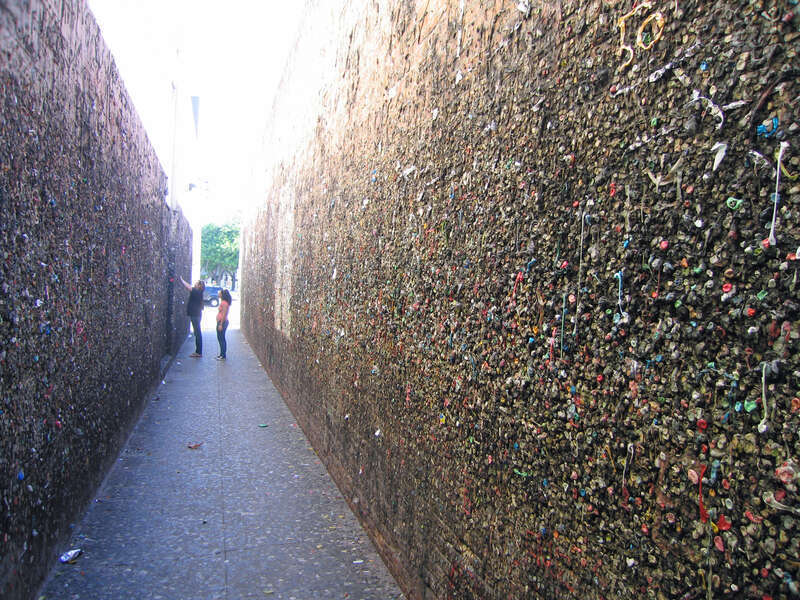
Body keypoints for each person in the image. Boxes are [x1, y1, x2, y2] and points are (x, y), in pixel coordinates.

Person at [180, 276, 204, 357]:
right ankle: (198, 352)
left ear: (199, 286)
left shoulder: (197, 292)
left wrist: (182, 280)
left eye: (196, 283)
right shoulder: (199, 292)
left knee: (197, 333)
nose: (195, 284)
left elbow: (189, 287)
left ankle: (198, 352)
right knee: (197, 333)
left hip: (195, 315)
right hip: (196, 315)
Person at [215, 288, 232, 360]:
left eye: (219, 293)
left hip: (222, 322)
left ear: (222, 295)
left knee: (221, 338)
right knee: (221, 338)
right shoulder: (223, 302)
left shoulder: (224, 303)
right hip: (222, 322)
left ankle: (223, 355)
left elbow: (224, 314)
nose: (218, 294)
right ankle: (221, 354)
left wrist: (221, 324)